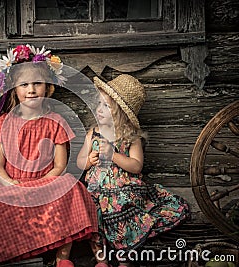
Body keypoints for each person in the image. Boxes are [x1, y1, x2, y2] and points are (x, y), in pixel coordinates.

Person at [0, 44, 98, 267]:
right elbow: (0, 165)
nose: (31, 89)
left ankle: (62, 258)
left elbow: (59, 165)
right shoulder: (3, 123)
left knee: (71, 187)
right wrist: (10, 183)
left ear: (48, 88)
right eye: (24, 84)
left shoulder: (56, 121)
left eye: (37, 83)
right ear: (14, 89)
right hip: (16, 184)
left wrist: (43, 184)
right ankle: (19, 254)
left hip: (47, 182)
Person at [77, 74, 190, 267]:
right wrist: (88, 161)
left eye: (106, 106)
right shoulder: (93, 133)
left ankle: (125, 258)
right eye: (98, 104)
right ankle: (101, 260)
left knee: (124, 210)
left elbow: (137, 166)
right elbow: (79, 162)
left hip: (124, 189)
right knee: (92, 213)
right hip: (97, 189)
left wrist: (113, 155)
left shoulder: (130, 137)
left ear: (120, 112)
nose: (99, 109)